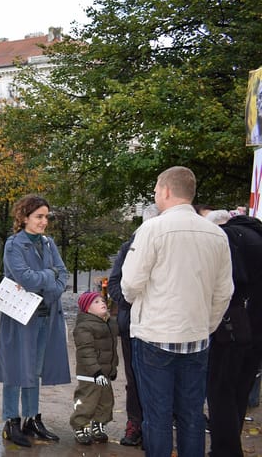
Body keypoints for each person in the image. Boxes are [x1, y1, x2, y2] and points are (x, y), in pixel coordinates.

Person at [121, 166, 233, 457]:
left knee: (157, 418)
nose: (156, 195)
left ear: (167, 191)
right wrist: (206, 325)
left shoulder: (152, 229)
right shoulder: (217, 234)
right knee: (191, 416)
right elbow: (224, 292)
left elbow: (130, 284)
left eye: (157, 190)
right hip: (196, 338)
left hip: (155, 337)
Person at [0, 194, 70, 447]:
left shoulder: (49, 244)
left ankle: (31, 419)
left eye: (46, 216)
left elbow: (63, 274)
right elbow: (25, 278)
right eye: (39, 216)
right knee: (16, 369)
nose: (44, 221)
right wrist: (50, 276)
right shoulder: (14, 244)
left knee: (35, 371)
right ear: (24, 217)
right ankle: (11, 421)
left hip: (45, 317)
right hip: (19, 318)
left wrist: (49, 280)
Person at [207, 212, 262, 456]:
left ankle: (225, 449)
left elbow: (231, 283)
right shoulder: (256, 236)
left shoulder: (229, 238)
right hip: (256, 327)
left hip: (232, 326)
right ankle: (230, 445)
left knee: (221, 391)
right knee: (241, 389)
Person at [106, 203, 159, 447]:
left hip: (161, 325)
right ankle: (135, 423)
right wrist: (133, 302)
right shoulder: (129, 247)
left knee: (160, 380)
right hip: (132, 325)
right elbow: (115, 285)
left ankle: (156, 427)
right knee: (134, 377)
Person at [70, 291, 119, 445]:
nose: (102, 303)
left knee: (105, 401)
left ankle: (99, 424)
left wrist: (112, 369)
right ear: (87, 309)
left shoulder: (110, 323)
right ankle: (80, 426)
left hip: (104, 373)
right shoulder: (84, 327)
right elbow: (86, 351)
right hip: (90, 374)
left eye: (102, 300)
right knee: (87, 401)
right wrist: (96, 371)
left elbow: (111, 349)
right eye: (96, 302)